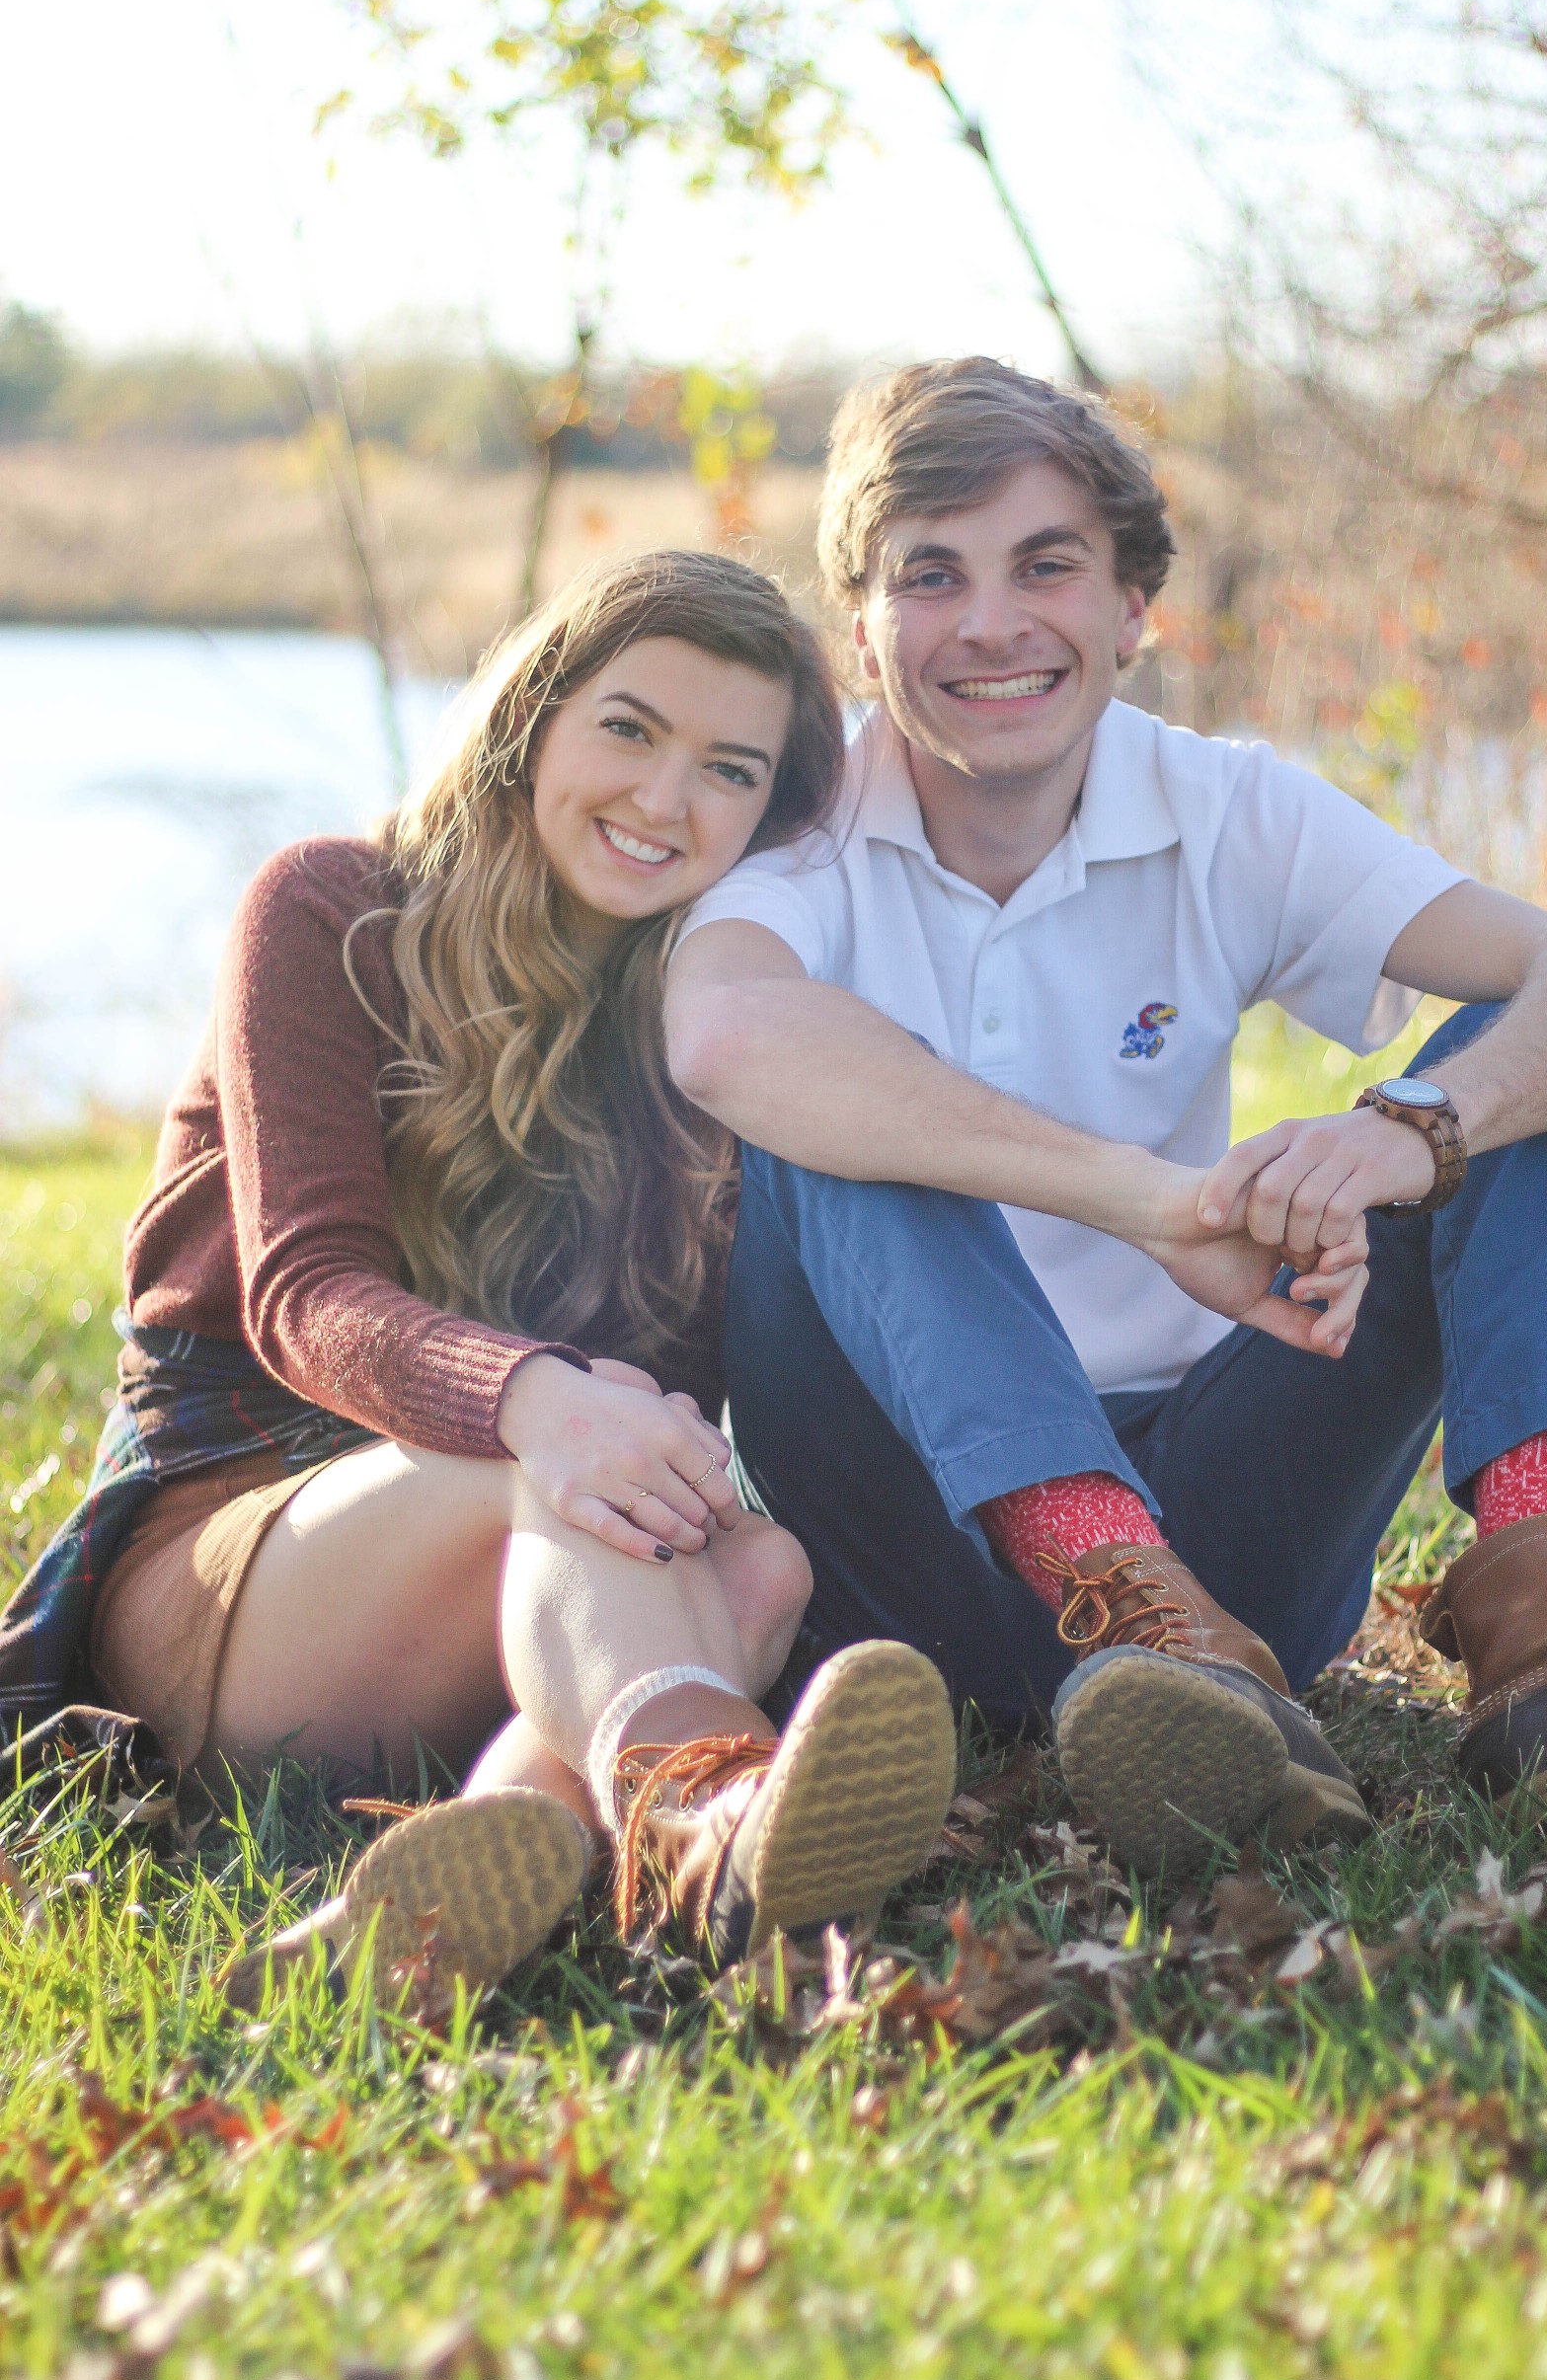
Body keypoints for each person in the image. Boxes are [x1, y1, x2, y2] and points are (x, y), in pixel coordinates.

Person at [663, 357, 1547, 1881]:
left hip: (1227, 1550)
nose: (993, 624)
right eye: (930, 577)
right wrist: (1147, 1199)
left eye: (1048, 566)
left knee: (1518, 1067)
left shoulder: (1226, 810)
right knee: (837, 1109)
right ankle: (1107, 1590)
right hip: (903, 1558)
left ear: (1133, 607)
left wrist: (1418, 1126)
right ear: (864, 633)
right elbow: (730, 1031)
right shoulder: (802, 827)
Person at [0, 550, 957, 2007]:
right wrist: (535, 1401)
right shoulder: (334, 911)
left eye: (727, 770)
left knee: (760, 1562)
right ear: (535, 721)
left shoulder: (708, 1035)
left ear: (771, 816)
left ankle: (481, 1869)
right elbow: (305, 1292)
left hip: (521, 1589)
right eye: (628, 728)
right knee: (568, 1469)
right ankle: (708, 1811)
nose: (660, 798)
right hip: (231, 1554)